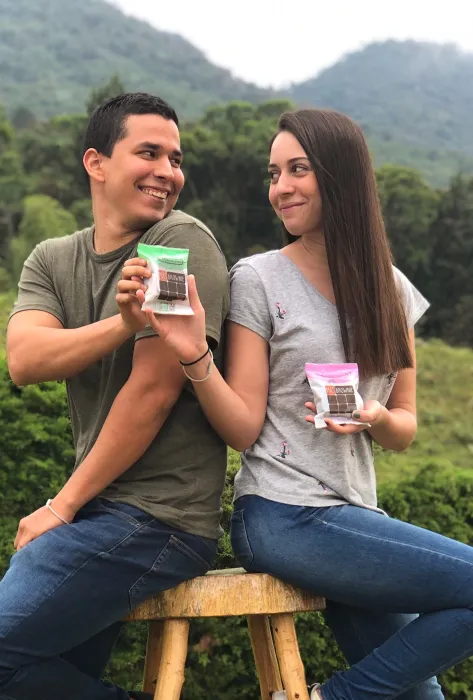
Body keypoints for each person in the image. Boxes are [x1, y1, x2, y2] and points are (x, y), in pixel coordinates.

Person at [119, 108, 473, 700]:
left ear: (340, 176)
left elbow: (405, 428)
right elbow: (242, 428)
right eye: (274, 173)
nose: (280, 187)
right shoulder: (258, 279)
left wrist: (376, 417)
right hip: (281, 515)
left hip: (356, 517)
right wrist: (194, 355)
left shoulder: (391, 291)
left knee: (419, 696)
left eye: (298, 170)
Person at [1, 93, 229, 700]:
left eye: (176, 159)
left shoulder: (175, 240)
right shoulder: (53, 259)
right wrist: (123, 325)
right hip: (97, 513)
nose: (167, 172)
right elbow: (25, 359)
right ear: (96, 162)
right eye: (148, 153)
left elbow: (152, 392)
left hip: (158, 517)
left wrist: (62, 506)